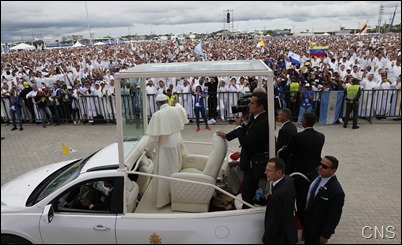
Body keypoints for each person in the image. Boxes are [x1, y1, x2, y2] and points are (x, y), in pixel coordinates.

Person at [216, 91, 269, 209]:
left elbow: (246, 142)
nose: (248, 105)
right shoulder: (257, 118)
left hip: (253, 164)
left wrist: (239, 125)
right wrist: (227, 135)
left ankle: (246, 215)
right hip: (250, 162)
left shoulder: (263, 122)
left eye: (251, 103)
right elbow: (246, 129)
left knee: (248, 194)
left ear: (260, 107)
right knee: (247, 191)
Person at [145, 93, 188, 208]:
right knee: (176, 170)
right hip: (178, 145)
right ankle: (177, 196)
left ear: (157, 103)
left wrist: (147, 150)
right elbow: (182, 109)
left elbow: (153, 139)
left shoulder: (157, 115)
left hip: (166, 149)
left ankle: (166, 199)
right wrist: (176, 101)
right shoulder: (176, 110)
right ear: (166, 101)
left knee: (166, 175)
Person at [302, 156, 345, 244]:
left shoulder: (336, 191)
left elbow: (334, 216)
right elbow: (303, 178)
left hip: (318, 230)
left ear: (333, 170)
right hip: (307, 223)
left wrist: (326, 234)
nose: (320, 167)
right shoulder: (317, 174)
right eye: (320, 164)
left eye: (324, 166)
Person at [261, 158, 297, 244]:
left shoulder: (277, 196)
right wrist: (272, 193)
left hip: (280, 238)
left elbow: (273, 223)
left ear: (279, 172)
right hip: (290, 230)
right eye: (266, 170)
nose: (265, 173)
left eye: (269, 171)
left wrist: (264, 240)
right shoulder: (288, 180)